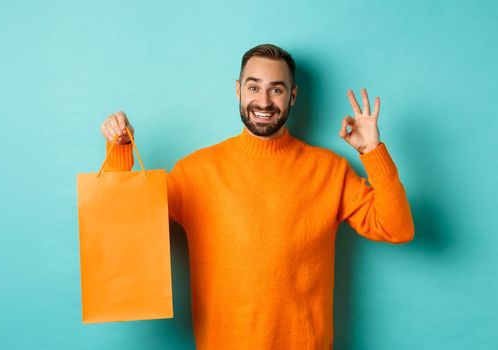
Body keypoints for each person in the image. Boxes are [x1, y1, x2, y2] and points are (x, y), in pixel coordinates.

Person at [99, 43, 414, 350]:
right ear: (238, 90)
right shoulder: (195, 172)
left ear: (292, 96)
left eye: (276, 90)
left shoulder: (330, 170)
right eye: (253, 88)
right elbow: (125, 223)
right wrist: (119, 151)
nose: (263, 102)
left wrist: (372, 152)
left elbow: (397, 228)